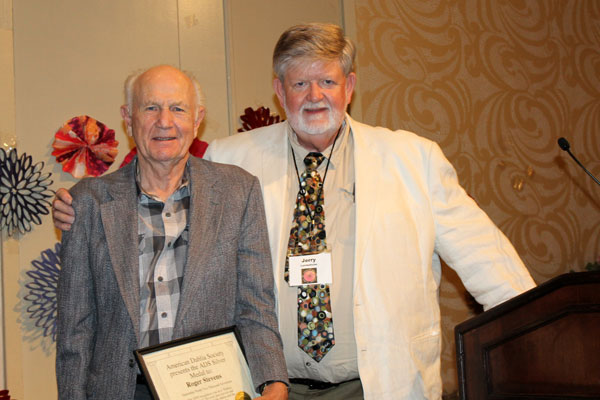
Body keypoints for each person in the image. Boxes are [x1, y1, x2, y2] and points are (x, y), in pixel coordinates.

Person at [53, 25, 536, 399]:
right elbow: (158, 173)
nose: (314, 95)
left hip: (376, 383)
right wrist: (79, 209)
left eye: (327, 80)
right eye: (299, 82)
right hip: (267, 385)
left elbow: (486, 261)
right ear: (279, 93)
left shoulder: (413, 160)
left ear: (349, 86)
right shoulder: (232, 158)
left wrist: (536, 335)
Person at [55, 65, 288, 399]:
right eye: (150, 107)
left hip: (213, 391)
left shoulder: (239, 191)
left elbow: (256, 304)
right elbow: (74, 330)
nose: (164, 121)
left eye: (178, 108)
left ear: (197, 119)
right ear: (128, 118)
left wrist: (274, 379)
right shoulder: (87, 203)